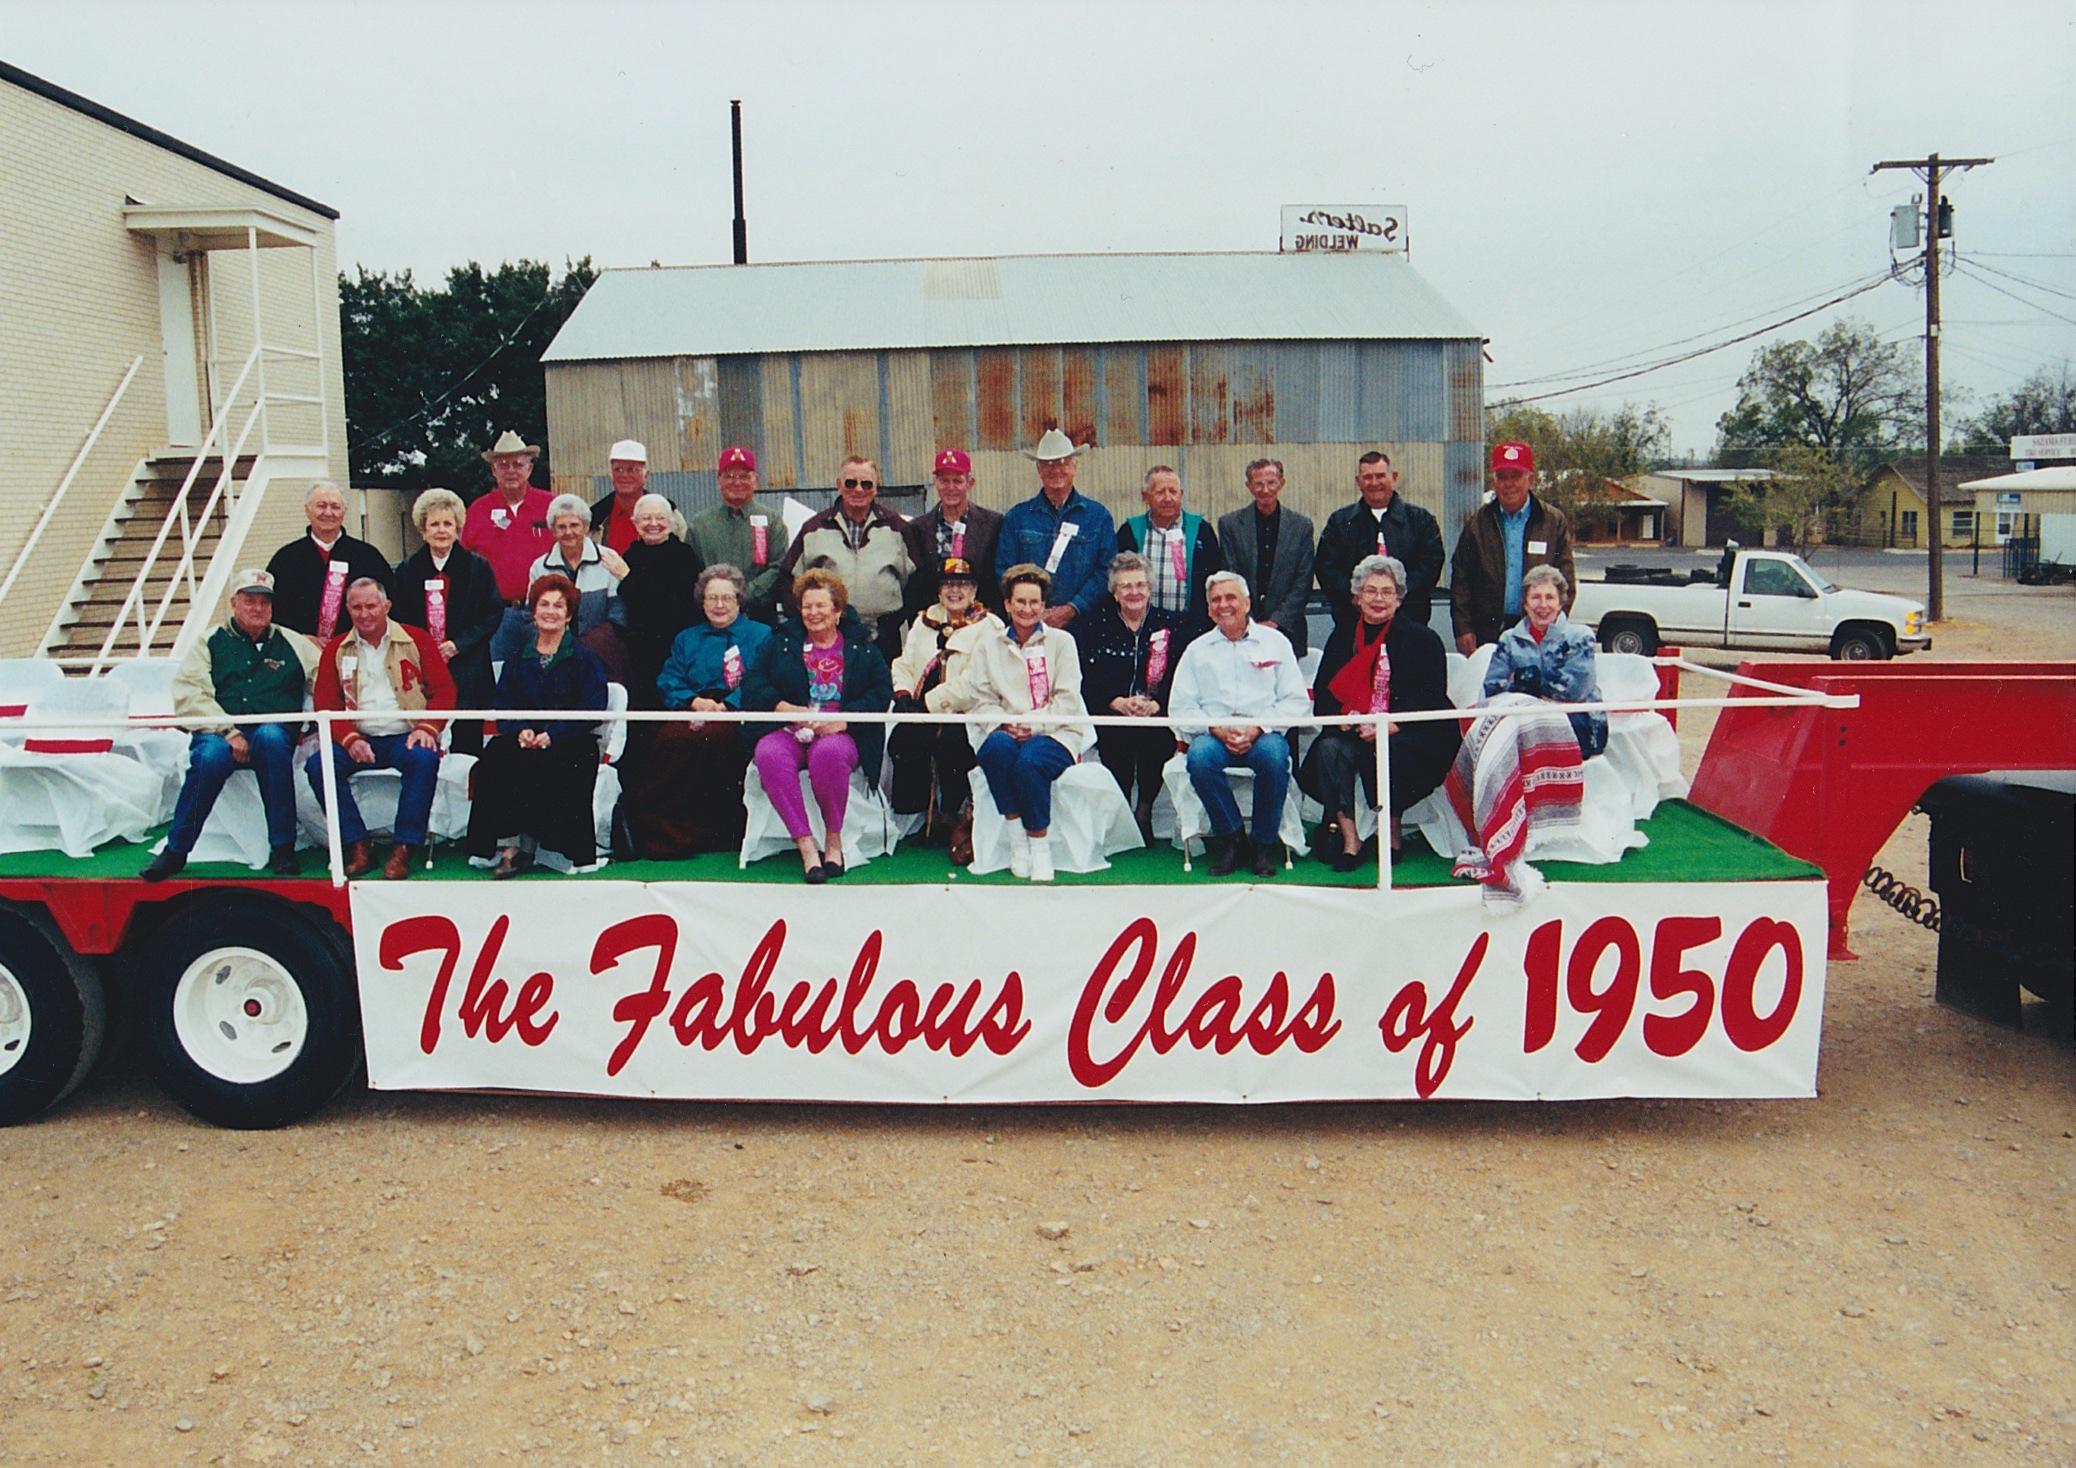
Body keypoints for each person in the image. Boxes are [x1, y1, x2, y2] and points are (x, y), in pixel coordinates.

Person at [140, 568, 318, 881]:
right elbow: (190, 693)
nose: (258, 608)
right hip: (219, 731)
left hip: (274, 727)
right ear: (234, 603)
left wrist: (315, 725)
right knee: (209, 757)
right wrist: (229, 732)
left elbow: (326, 681)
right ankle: (176, 851)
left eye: (265, 602)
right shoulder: (208, 642)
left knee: (273, 739)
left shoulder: (293, 642)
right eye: (250, 600)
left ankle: (283, 847)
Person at [1300, 555, 1461, 871]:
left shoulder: (1423, 639)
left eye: (1387, 592)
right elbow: (1325, 695)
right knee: (1330, 750)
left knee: (1390, 753)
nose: (1378, 599)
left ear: (1399, 598)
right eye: (1370, 591)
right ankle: (1351, 838)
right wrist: (1347, 719)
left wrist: (1392, 725)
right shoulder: (1342, 637)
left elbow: (1431, 697)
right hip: (1353, 729)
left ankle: (1392, 831)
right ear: (1357, 597)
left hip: (1405, 732)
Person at [938, 563, 1094, 883]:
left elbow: (1067, 700)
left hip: (1056, 732)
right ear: (1007, 604)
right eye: (1019, 602)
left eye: (1034, 602)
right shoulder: (988, 646)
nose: (1027, 609)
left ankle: (1039, 847)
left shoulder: (1062, 643)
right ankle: (1016, 838)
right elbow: (981, 699)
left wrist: (1032, 725)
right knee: (995, 749)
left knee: (1029, 764)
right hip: (1004, 730)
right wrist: (1006, 724)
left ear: (1043, 605)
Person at [743, 567, 893, 883]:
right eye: (807, 606)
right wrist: (786, 709)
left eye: (822, 605)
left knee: (828, 755)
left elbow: (881, 692)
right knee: (769, 753)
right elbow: (754, 682)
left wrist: (844, 719)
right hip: (791, 728)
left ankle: (833, 839)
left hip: (838, 730)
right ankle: (806, 846)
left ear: (837, 610)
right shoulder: (782, 642)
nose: (814, 613)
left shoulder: (862, 647)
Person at [305, 578, 456, 880]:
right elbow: (325, 701)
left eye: (371, 605)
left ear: (386, 606)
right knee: (318, 765)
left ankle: (403, 848)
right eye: (357, 607)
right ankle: (358, 844)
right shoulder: (336, 648)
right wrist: (348, 739)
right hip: (359, 736)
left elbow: (444, 690)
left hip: (405, 733)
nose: (364, 614)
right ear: (347, 609)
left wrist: (427, 727)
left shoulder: (416, 640)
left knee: (424, 759)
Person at [621, 564, 774, 859]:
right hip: (693, 705)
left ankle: (706, 833)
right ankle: (660, 831)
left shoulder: (761, 635)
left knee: (711, 741)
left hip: (738, 710)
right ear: (702, 602)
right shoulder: (686, 638)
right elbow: (668, 678)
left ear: (739, 601)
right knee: (669, 741)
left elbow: (762, 679)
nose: (719, 606)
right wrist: (693, 701)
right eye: (711, 598)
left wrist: (729, 705)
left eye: (726, 598)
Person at [466, 574, 610, 878]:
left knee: (563, 762)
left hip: (572, 738)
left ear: (569, 615)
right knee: (498, 755)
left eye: (559, 606)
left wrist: (553, 734)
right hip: (527, 737)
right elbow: (502, 704)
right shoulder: (519, 658)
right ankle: (510, 848)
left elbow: (593, 708)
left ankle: (555, 849)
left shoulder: (584, 659)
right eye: (544, 604)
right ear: (533, 611)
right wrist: (521, 730)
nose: (550, 611)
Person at [1169, 571, 1312, 877]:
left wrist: (1259, 728)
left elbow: (1296, 701)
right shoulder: (1197, 650)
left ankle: (1262, 843)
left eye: (1231, 597)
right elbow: (1180, 708)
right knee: (1200, 758)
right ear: (1208, 608)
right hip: (1213, 734)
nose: (1224, 605)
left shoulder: (1275, 643)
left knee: (1275, 758)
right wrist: (1216, 728)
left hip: (1263, 733)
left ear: (1247, 603)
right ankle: (1232, 838)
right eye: (1216, 600)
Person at [886, 555, 1002, 842]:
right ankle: (924, 816)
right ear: (939, 590)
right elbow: (904, 662)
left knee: (953, 742)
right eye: (948, 584)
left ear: (974, 590)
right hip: (919, 707)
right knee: (904, 738)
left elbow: (979, 680)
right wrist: (902, 693)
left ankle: (952, 814)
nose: (955, 591)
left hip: (966, 711)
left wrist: (931, 704)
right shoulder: (925, 621)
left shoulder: (989, 625)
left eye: (963, 584)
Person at [1077, 551, 1187, 840]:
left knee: (1157, 735)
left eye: (1140, 585)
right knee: (1117, 735)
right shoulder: (1094, 626)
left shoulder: (1172, 625)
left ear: (1150, 589)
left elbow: (1182, 674)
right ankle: (1123, 806)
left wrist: (1157, 703)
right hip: (1111, 710)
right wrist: (1117, 702)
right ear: (1114, 592)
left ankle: (1144, 810)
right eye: (1126, 586)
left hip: (1157, 711)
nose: (1134, 592)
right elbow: (1087, 678)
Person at [390, 487, 501, 756]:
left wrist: (458, 644)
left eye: (447, 524)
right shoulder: (408, 570)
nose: (441, 530)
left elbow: (492, 613)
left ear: (458, 528)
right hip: (423, 665)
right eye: (434, 524)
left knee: (467, 741)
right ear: (423, 530)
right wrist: (426, 648)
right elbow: (399, 617)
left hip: (468, 664)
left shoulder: (478, 567)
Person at [1450, 439, 1576, 654]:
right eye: (1502, 477)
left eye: (1516, 476)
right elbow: (1461, 582)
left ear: (1531, 480)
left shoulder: (1553, 522)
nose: (1508, 484)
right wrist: (1463, 629)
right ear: (1494, 481)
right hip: (1486, 634)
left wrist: (1551, 627)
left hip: (1537, 633)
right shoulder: (1477, 525)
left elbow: (1566, 584)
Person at [780, 455, 914, 655]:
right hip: (828, 636)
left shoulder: (898, 529)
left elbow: (915, 580)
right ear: (838, 485)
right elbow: (787, 580)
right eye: (850, 483)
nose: (858, 490)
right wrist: (806, 623)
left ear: (876, 488)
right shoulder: (813, 529)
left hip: (883, 638)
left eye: (866, 484)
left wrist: (895, 618)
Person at [1482, 564, 1607, 758]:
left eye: (1550, 597)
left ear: (1560, 603)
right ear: (1525, 603)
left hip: (1580, 725)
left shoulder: (1580, 637)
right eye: (1535, 597)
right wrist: (1547, 696)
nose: (1543, 605)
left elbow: (1574, 689)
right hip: (1524, 723)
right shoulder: (1509, 638)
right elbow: (1491, 688)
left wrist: (1522, 679)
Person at [995, 428, 1115, 629]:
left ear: (1074, 467)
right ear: (1038, 470)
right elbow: (1005, 569)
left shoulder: (1098, 516)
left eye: (1062, 463)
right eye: (1048, 464)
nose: (1055, 470)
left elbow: (1107, 569)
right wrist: (1033, 608)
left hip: (1084, 624)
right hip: (1030, 623)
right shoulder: (1017, 517)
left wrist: (1072, 608)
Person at [1315, 450, 1445, 630]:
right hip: (1354, 622)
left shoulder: (1421, 520)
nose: (1374, 483)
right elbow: (1326, 567)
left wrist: (1396, 595)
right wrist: (1356, 595)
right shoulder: (1340, 522)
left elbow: (1430, 565)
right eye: (1367, 477)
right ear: (1358, 481)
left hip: (1409, 622)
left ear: (1394, 477)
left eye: (1380, 476)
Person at [461, 429, 558, 662]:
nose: (511, 470)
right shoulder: (478, 510)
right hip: (498, 617)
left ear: (529, 469)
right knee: (500, 680)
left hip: (545, 613)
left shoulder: (551, 505)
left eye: (517, 464)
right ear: (493, 470)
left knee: (547, 680)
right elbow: (465, 564)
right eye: (503, 465)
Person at [263, 481, 392, 639]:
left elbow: (389, 607)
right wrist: (299, 638)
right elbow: (271, 613)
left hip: (356, 650)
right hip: (302, 651)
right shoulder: (285, 559)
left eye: (335, 507)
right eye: (321, 506)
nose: (328, 513)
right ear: (307, 510)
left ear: (344, 512)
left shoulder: (368, 557)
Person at [1215, 458, 1315, 656]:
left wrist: (1276, 621)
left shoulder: (1301, 526)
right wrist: (1248, 621)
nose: (1265, 489)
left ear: (1281, 483)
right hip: (1242, 627)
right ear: (1249, 486)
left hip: (1287, 628)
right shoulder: (1230, 525)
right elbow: (1230, 574)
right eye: (1258, 484)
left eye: (1271, 482)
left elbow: (1303, 581)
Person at [614, 492, 704, 710]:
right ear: (635, 523)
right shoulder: (630, 556)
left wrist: (630, 579)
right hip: (640, 647)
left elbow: (673, 605)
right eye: (646, 518)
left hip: (675, 646)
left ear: (671, 522)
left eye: (660, 518)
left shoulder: (683, 555)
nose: (653, 524)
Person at [527, 494, 630, 683]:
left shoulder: (609, 559)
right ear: (552, 530)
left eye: (574, 525)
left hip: (602, 657)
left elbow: (618, 616)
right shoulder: (540, 567)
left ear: (586, 527)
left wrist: (581, 647)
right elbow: (532, 616)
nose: (568, 532)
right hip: (554, 658)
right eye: (561, 527)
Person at [686, 445, 790, 620]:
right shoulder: (700, 524)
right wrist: (719, 598)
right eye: (730, 476)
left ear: (756, 480)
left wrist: (741, 596)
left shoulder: (772, 521)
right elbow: (690, 571)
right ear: (718, 480)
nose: (737, 482)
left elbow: (778, 567)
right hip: (712, 619)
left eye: (744, 476)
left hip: (759, 618)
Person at [904, 448, 1003, 613]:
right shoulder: (918, 528)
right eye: (944, 481)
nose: (950, 488)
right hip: (935, 622)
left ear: (970, 484)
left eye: (957, 481)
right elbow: (915, 586)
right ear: (935, 483)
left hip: (980, 622)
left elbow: (995, 582)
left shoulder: (992, 524)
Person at [1117, 465, 1223, 617]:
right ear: (1145, 497)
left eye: (1173, 492)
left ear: (1181, 494)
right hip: (1142, 622)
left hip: (1190, 622)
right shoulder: (1129, 531)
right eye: (1160, 492)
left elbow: (1215, 577)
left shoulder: (1201, 530)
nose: (1168, 498)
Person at [589, 438, 651, 556]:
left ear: (646, 475)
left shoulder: (669, 516)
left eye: (631, 469)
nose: (624, 475)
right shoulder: (594, 519)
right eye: (618, 470)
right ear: (610, 476)